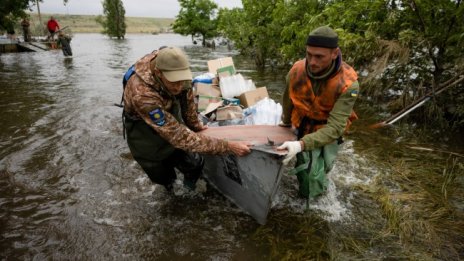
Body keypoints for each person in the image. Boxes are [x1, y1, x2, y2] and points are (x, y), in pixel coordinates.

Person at [122, 46, 251, 191]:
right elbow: (178, 136)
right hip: (143, 129)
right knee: (162, 175)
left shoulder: (177, 70)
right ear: (159, 73)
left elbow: (187, 100)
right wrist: (228, 146)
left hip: (167, 111)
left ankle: (188, 190)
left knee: (194, 163)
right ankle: (170, 190)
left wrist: (195, 125)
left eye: (181, 81)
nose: (178, 87)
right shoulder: (142, 94)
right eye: (174, 83)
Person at [277, 26, 359, 199]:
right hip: (302, 125)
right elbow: (288, 99)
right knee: (308, 182)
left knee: (324, 168)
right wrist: (285, 123)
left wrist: (300, 145)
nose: (312, 62)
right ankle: (309, 193)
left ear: (334, 53)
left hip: (327, 130)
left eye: (319, 56)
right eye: (309, 54)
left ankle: (321, 181)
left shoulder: (349, 84)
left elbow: (336, 128)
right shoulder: (296, 71)